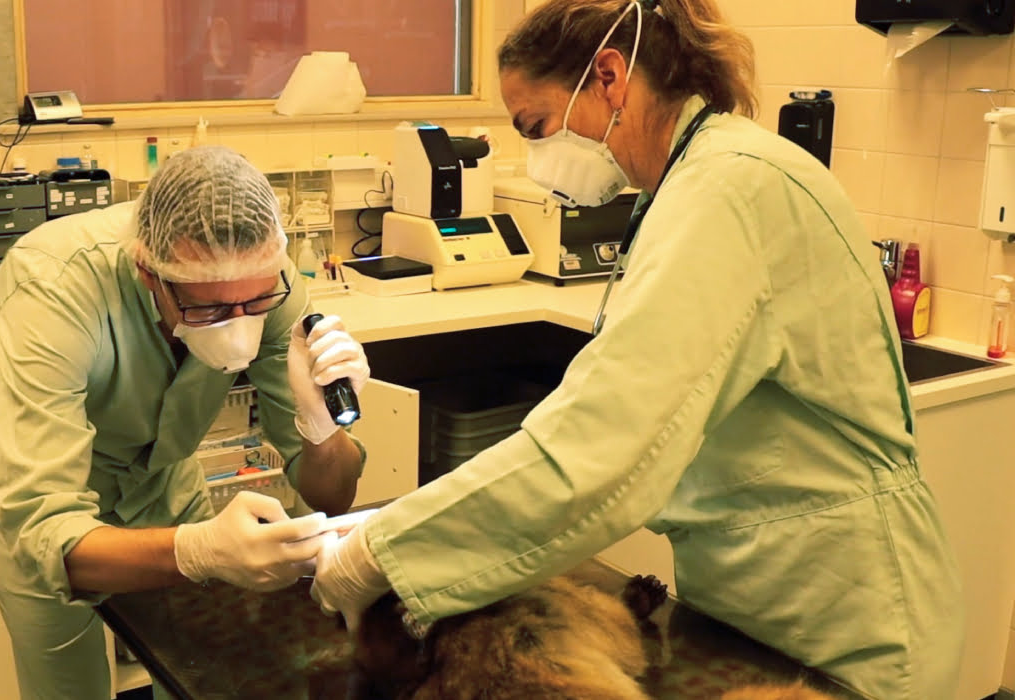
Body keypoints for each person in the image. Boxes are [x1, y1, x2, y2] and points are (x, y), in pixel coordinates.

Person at [311, 1, 964, 698]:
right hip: (762, 614)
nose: (538, 160)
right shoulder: (693, 184)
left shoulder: (730, 191)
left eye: (536, 127)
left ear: (610, 78)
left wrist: (378, 554)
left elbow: (600, 449)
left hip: (847, 630)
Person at [0, 145, 369, 699]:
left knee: (200, 667)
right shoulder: (51, 292)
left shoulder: (270, 282)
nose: (240, 329)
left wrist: (322, 432)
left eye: (256, 305)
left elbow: (332, 494)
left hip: (161, 472)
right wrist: (199, 551)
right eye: (210, 310)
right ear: (148, 273)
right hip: (40, 490)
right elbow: (49, 535)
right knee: (66, 682)